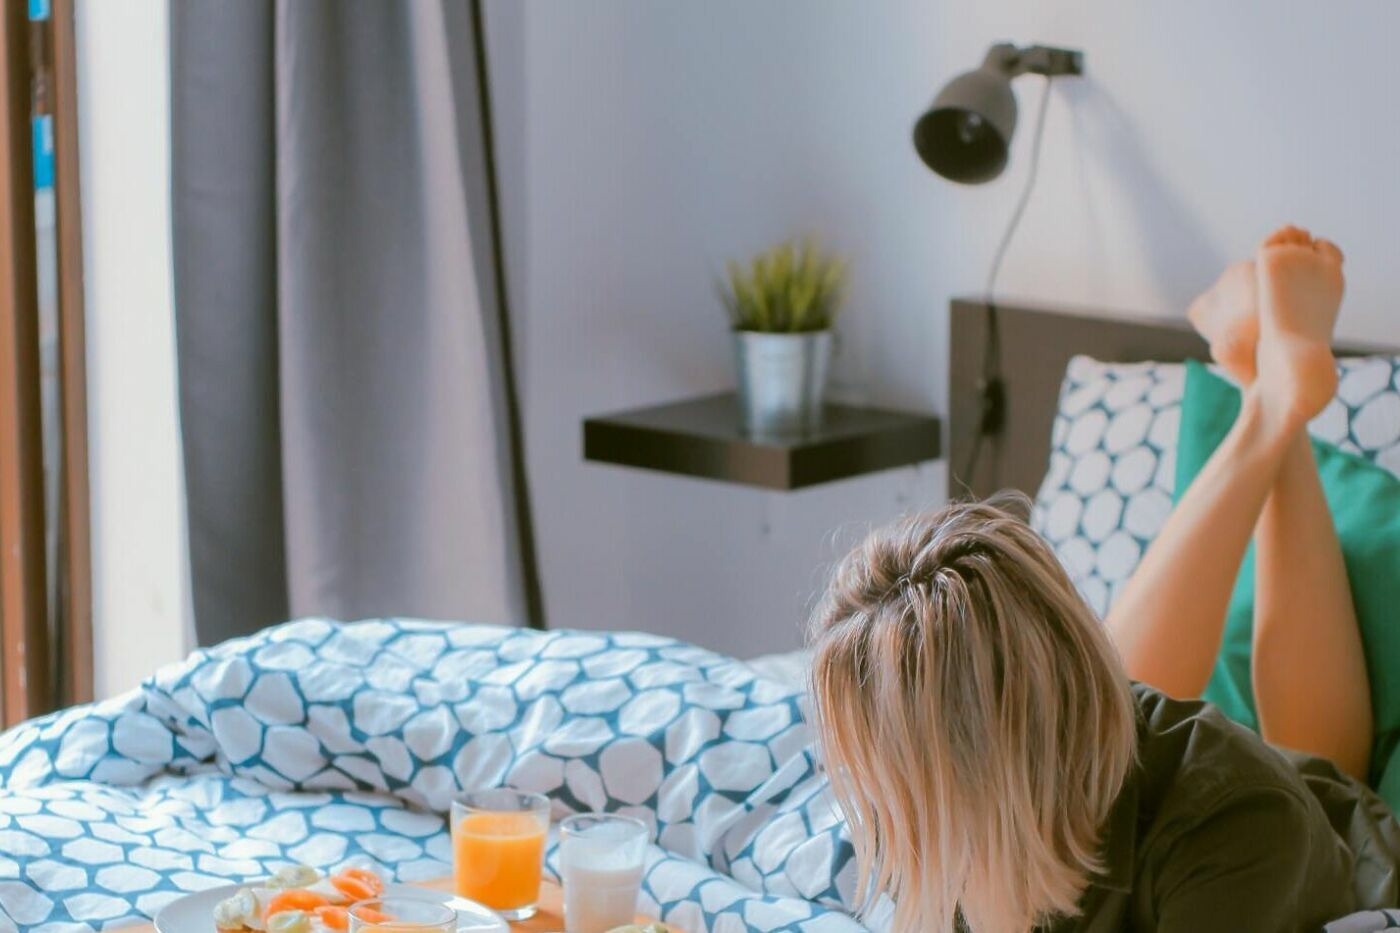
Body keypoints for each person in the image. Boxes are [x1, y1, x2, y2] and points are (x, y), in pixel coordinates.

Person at [807, 226, 1400, 933]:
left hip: (1327, 836)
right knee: (1096, 707)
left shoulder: (1239, 831)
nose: (872, 811)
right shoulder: (949, 812)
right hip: (1081, 769)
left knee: (1326, 763)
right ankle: (1272, 399)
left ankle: (1275, 402)